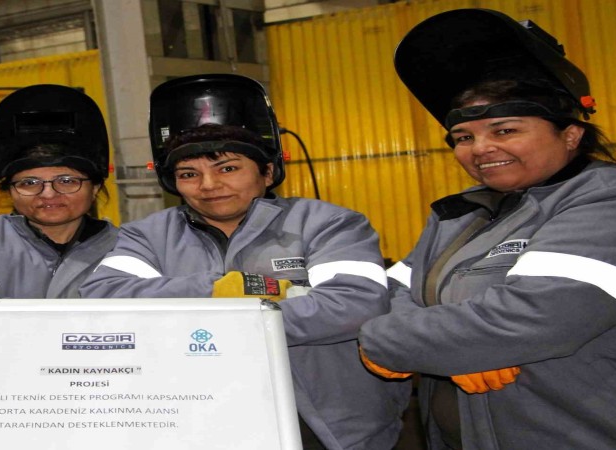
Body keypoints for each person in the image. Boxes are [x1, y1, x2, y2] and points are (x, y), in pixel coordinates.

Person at [358, 8, 616, 450]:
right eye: (464, 137)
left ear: (570, 134)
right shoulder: (462, 215)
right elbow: (391, 294)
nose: (481, 149)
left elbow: (536, 317)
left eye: (505, 130)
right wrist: (455, 345)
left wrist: (388, 341)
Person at [80, 74, 411, 450]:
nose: (208, 185)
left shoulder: (328, 224)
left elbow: (354, 304)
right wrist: (219, 290)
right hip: (197, 418)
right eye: (189, 174)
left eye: (227, 168)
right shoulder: (148, 235)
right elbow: (102, 297)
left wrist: (201, 319)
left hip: (323, 422)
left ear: (267, 172)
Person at [0, 84, 118, 298]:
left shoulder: (129, 249)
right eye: (29, 183)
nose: (48, 194)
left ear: (95, 187)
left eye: (66, 181)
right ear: (9, 190)